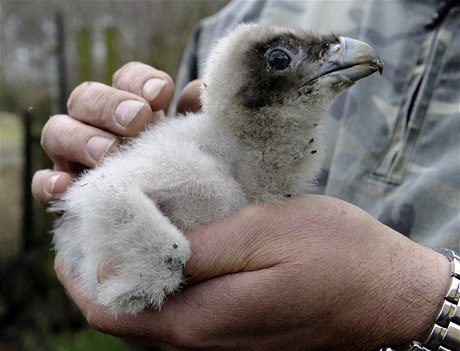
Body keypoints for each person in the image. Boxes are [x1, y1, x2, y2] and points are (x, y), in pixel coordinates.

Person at [32, 0, 459, 350]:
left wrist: (425, 301)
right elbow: (103, 202)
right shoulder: (234, 21)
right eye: (281, 60)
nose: (344, 52)